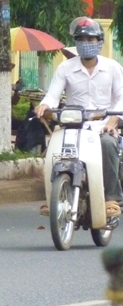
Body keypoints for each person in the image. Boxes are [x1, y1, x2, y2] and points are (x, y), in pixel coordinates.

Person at [35, 16, 123, 219]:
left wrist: (111, 122)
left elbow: (121, 98)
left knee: (108, 145)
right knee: (54, 150)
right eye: (81, 39)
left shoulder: (112, 68)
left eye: (91, 40)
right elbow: (53, 94)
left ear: (99, 41)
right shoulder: (65, 68)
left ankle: (111, 198)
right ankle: (53, 198)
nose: (86, 44)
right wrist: (45, 105)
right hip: (73, 126)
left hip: (103, 126)